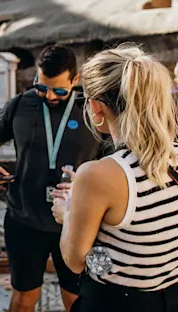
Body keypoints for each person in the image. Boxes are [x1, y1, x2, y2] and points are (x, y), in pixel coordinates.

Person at [0, 45, 103, 312]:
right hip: (25, 220)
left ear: (75, 80)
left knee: (77, 300)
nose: (49, 96)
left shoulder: (92, 109)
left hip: (77, 222)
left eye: (59, 90)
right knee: (24, 298)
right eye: (42, 87)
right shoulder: (21, 104)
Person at [52, 45, 178, 311]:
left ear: (96, 107)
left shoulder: (97, 175)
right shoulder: (173, 157)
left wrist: (69, 211)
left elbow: (75, 261)